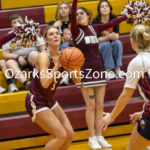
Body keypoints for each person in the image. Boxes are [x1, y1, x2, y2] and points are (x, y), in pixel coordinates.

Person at [71, 0, 129, 149]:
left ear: (87, 16)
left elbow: (113, 21)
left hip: (99, 70)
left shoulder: (93, 27)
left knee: (100, 105)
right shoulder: (76, 31)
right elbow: (72, 14)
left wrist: (127, 15)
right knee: (90, 106)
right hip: (85, 71)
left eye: (81, 13)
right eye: (76, 14)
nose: (78, 16)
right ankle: (91, 137)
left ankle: (99, 135)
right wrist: (75, 2)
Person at [25, 26, 77, 150]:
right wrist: (57, 66)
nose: (55, 36)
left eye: (57, 34)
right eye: (51, 34)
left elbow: (76, 79)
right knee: (60, 136)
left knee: (69, 134)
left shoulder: (63, 55)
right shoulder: (44, 56)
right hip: (36, 101)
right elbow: (44, 83)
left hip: (50, 99)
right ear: (46, 40)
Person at [99, 25, 150, 150]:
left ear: (132, 41)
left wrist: (111, 117)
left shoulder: (138, 62)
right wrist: (144, 111)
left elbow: (126, 93)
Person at [2, 13, 46, 89]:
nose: (17, 23)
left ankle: (39, 80)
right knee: (9, 62)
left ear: (23, 22)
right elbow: (5, 54)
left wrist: (44, 54)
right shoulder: (9, 36)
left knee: (34, 54)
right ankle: (26, 83)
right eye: (14, 22)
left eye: (18, 21)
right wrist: (17, 57)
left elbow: (42, 47)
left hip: (33, 57)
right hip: (18, 60)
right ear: (11, 25)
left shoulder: (32, 32)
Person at [92, 0, 125, 80]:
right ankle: (108, 70)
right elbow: (98, 39)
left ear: (110, 8)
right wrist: (108, 37)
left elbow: (117, 35)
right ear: (99, 10)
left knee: (118, 43)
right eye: (102, 7)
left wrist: (114, 36)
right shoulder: (95, 21)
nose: (105, 8)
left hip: (112, 43)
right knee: (106, 44)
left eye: (106, 6)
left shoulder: (114, 18)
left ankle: (118, 69)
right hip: (100, 46)